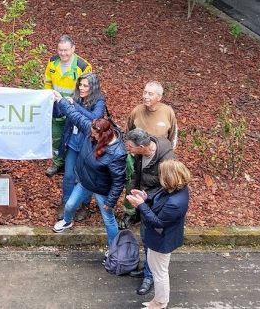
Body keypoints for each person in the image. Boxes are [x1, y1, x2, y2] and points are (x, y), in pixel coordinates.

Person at [51, 93, 126, 250]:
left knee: (108, 219)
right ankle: (67, 221)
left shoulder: (117, 153)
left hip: (101, 189)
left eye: (94, 134)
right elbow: (75, 115)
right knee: (70, 205)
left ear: (103, 136)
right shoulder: (91, 130)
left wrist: (110, 202)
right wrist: (61, 100)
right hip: (85, 182)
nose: (90, 135)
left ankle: (113, 248)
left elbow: (119, 181)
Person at [126, 159, 192, 309]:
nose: (159, 176)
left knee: (159, 273)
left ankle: (160, 302)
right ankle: (159, 300)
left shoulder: (175, 202)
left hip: (161, 240)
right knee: (158, 269)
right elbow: (158, 199)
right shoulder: (175, 188)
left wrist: (140, 205)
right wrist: (145, 198)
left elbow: (158, 222)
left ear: (169, 177)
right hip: (159, 238)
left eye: (161, 174)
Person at [122, 127, 177, 296]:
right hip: (144, 201)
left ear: (141, 146)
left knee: (151, 241)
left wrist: (146, 198)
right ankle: (148, 269)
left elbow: (169, 186)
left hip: (157, 206)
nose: (128, 149)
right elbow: (138, 175)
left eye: (130, 146)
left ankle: (149, 276)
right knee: (146, 239)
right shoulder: (140, 154)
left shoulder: (166, 158)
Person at [57, 72, 106, 221]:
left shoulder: (99, 100)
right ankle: (65, 203)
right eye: (80, 84)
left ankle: (84, 205)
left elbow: (94, 118)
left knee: (86, 176)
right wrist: (58, 102)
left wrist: (74, 106)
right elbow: (61, 112)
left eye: (86, 85)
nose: (82, 88)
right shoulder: (75, 96)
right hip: (73, 142)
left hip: (89, 144)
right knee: (69, 175)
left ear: (93, 87)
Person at [44, 35, 92, 176]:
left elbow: (86, 89)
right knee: (56, 135)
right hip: (56, 106)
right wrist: (49, 93)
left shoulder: (82, 66)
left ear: (73, 49)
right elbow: (47, 81)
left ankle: (74, 166)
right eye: (60, 50)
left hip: (74, 107)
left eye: (66, 50)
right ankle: (58, 163)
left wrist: (73, 100)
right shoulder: (52, 62)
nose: (63, 53)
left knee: (74, 136)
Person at [124, 81, 178, 149]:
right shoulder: (137, 111)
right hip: (139, 153)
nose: (146, 96)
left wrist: (169, 153)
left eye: (150, 94)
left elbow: (173, 137)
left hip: (160, 154)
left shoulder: (168, 112)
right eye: (145, 92)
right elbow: (127, 133)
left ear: (159, 97)